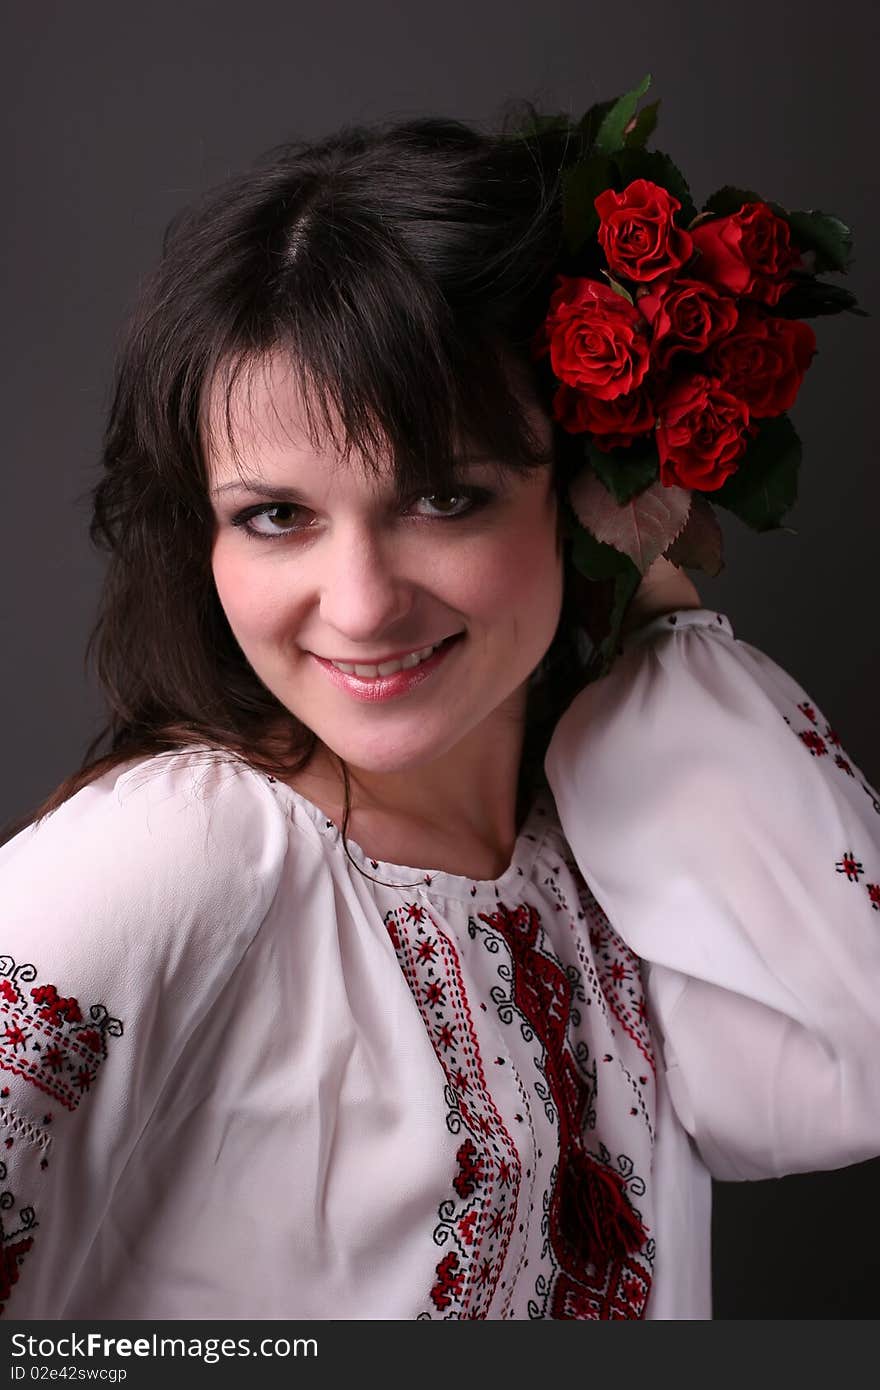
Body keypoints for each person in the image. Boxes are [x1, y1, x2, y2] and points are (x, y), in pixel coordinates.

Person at [1, 110, 878, 1322]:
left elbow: (857, 1067)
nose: (359, 605)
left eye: (444, 497)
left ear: (581, 486)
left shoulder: (611, 864)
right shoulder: (174, 857)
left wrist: (652, 595)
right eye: (274, 516)